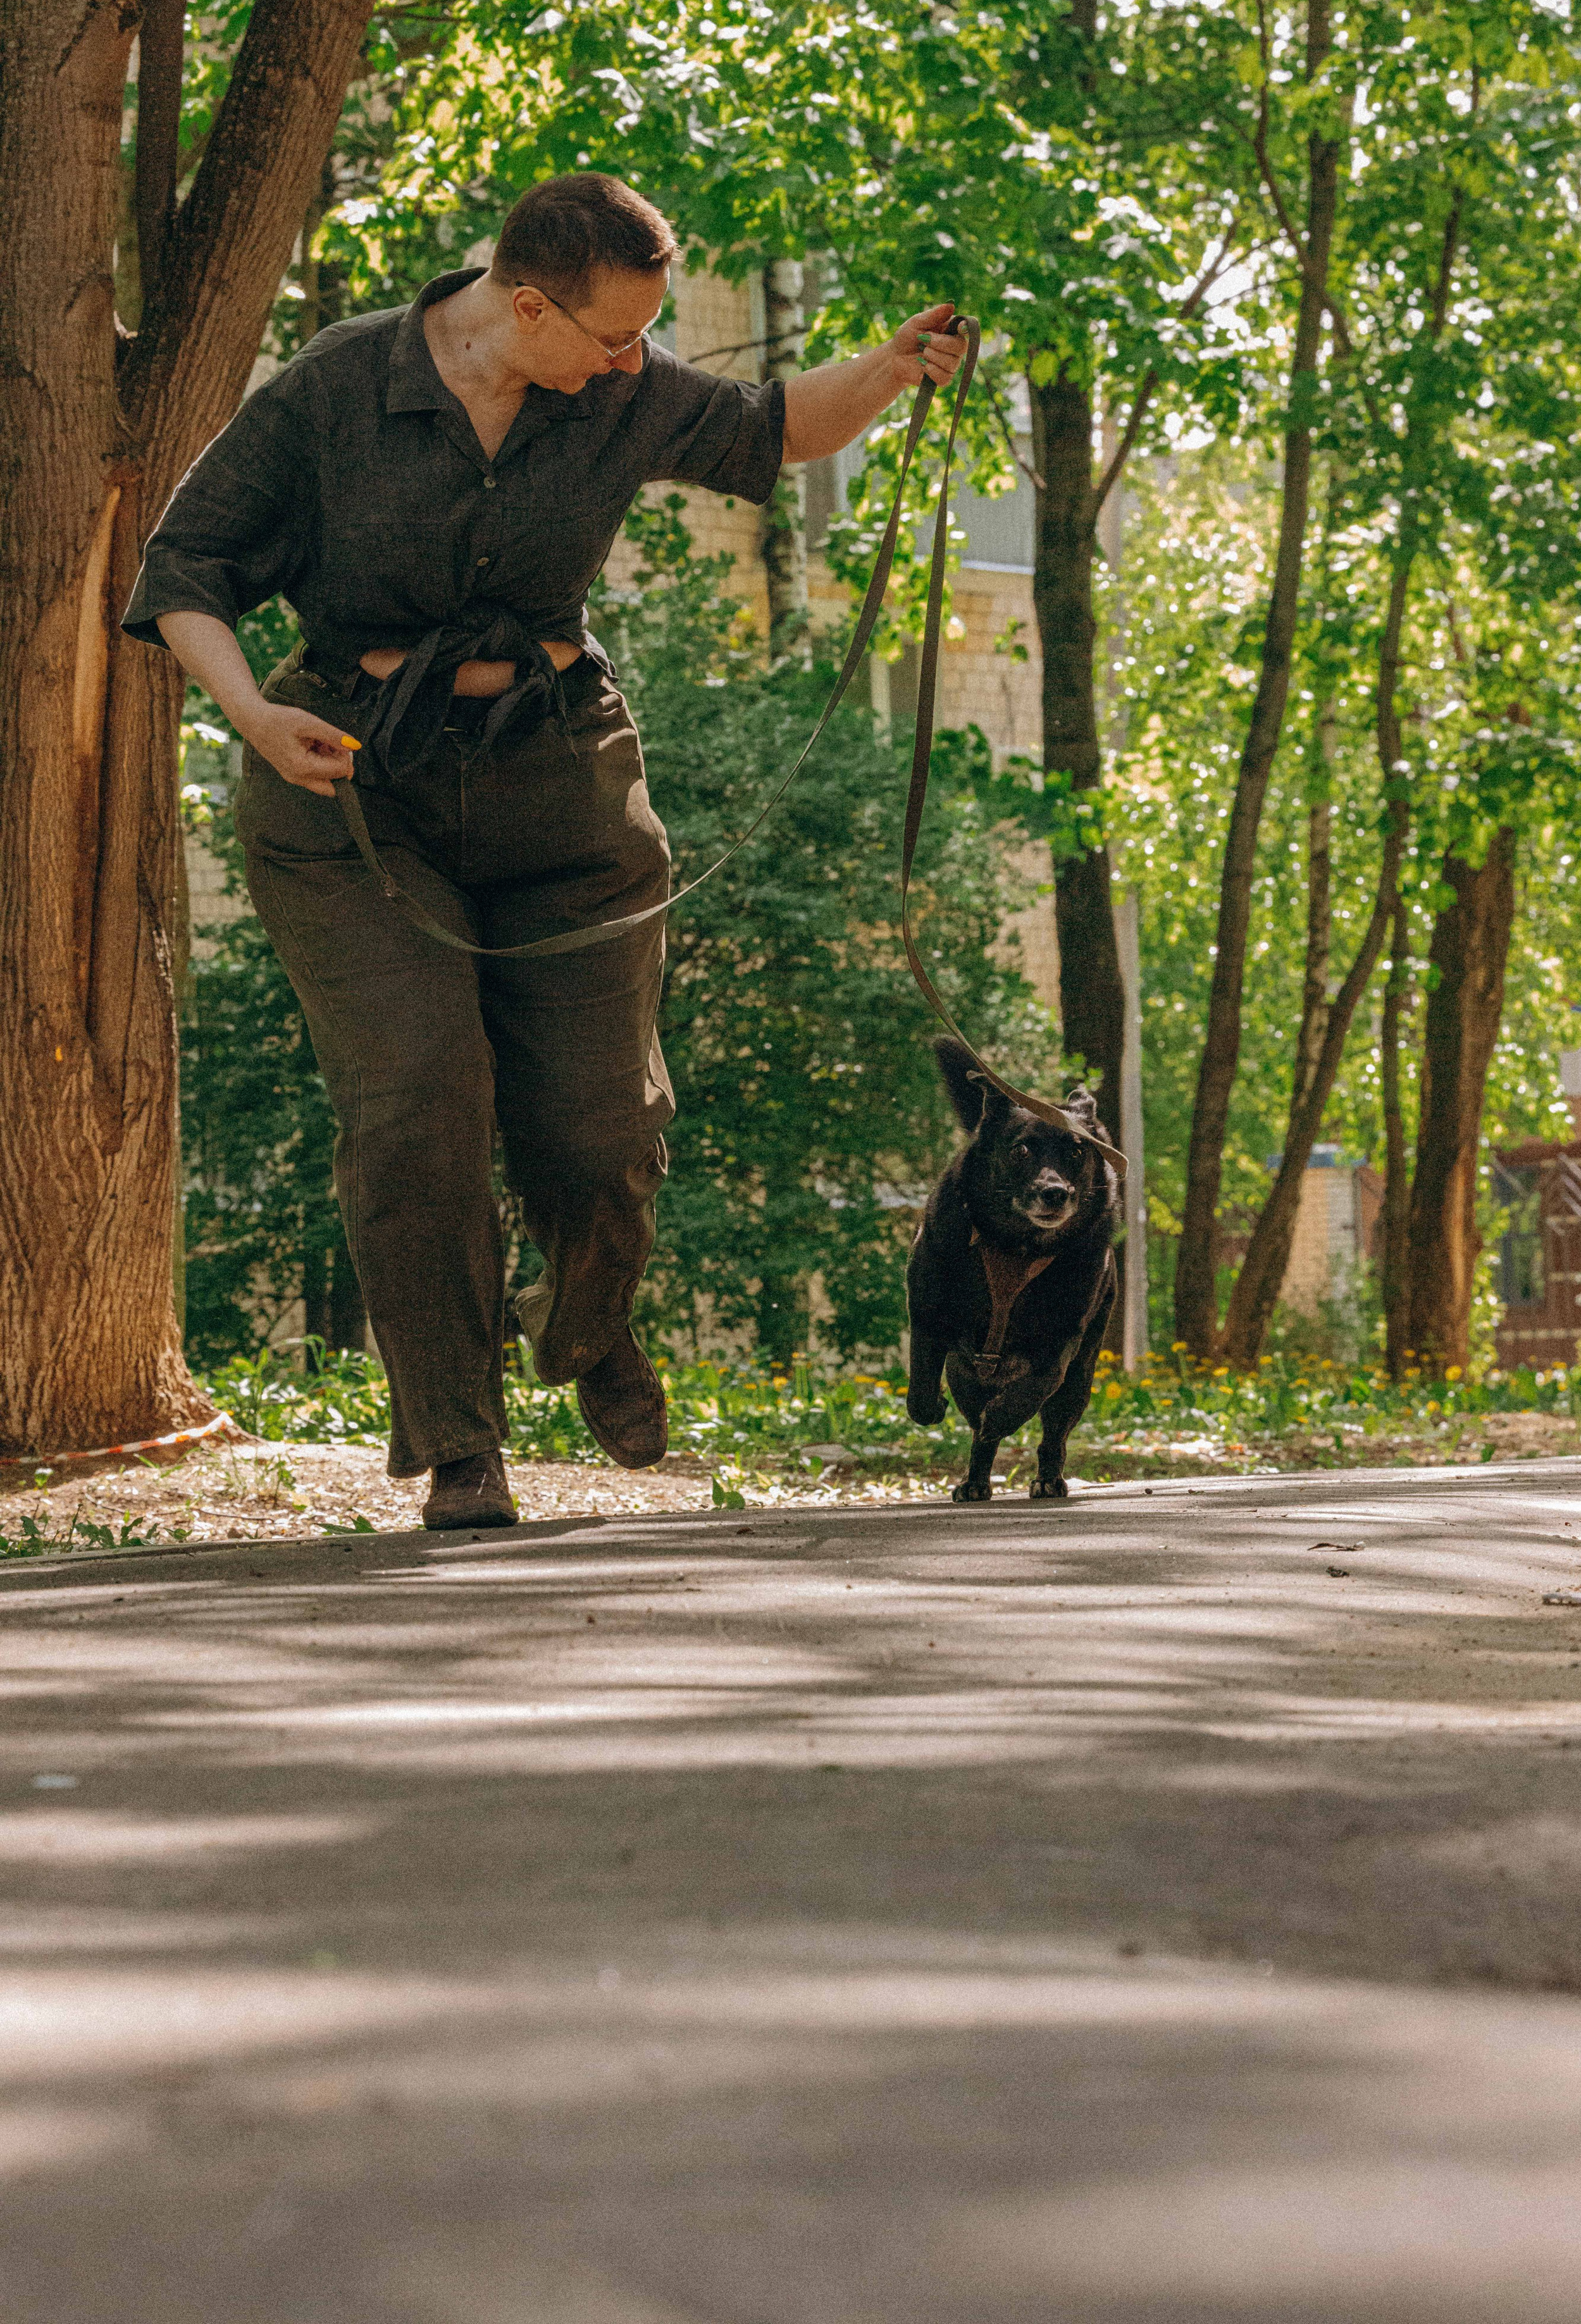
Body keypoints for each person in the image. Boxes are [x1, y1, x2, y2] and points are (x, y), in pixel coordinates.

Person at [123, 172, 966, 1529]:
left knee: (600, 1119)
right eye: (611, 336)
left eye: (643, 341)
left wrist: (887, 367)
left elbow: (765, 430)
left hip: (559, 778)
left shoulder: (616, 387)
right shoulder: (339, 389)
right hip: (352, 788)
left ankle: (581, 1326)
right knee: (418, 1103)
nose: (633, 363)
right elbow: (184, 571)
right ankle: (461, 1443)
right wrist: (252, 712)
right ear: (525, 305)